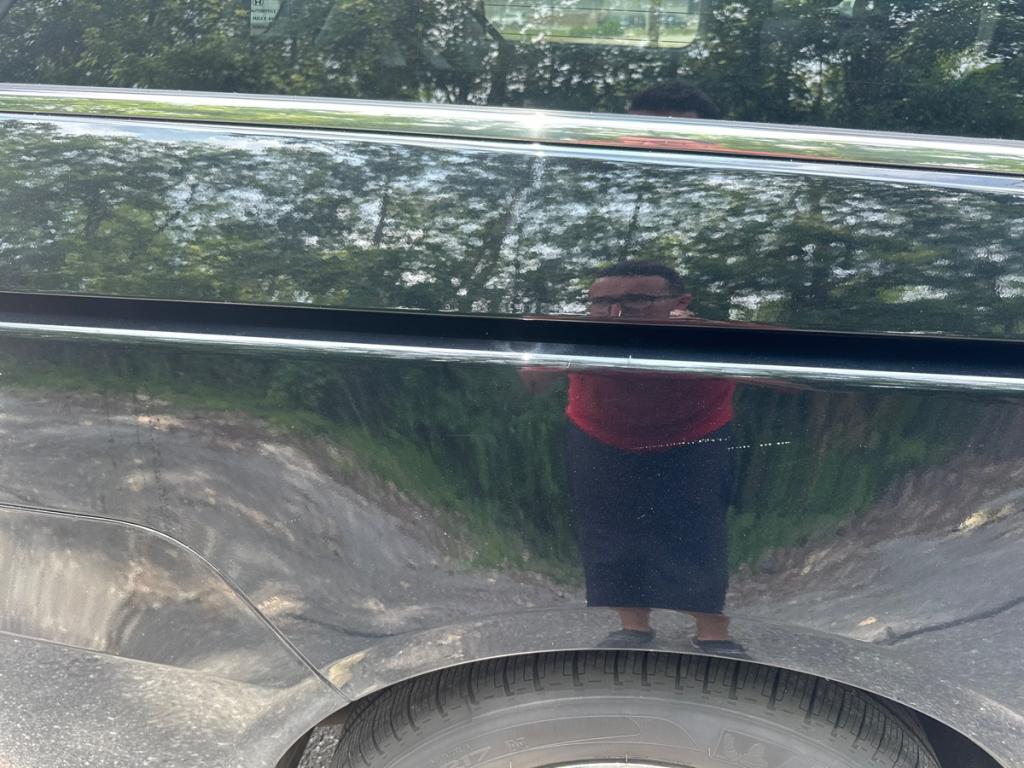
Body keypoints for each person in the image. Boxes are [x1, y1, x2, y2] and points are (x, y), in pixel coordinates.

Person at [521, 260, 745, 655]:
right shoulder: (580, 333)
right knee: (609, 530)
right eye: (600, 303)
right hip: (598, 433)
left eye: (635, 300)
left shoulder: (711, 334)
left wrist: (693, 341)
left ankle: (713, 630)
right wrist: (587, 346)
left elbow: (779, 377)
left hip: (696, 434)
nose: (616, 312)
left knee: (698, 529)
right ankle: (633, 628)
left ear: (680, 303)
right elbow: (533, 380)